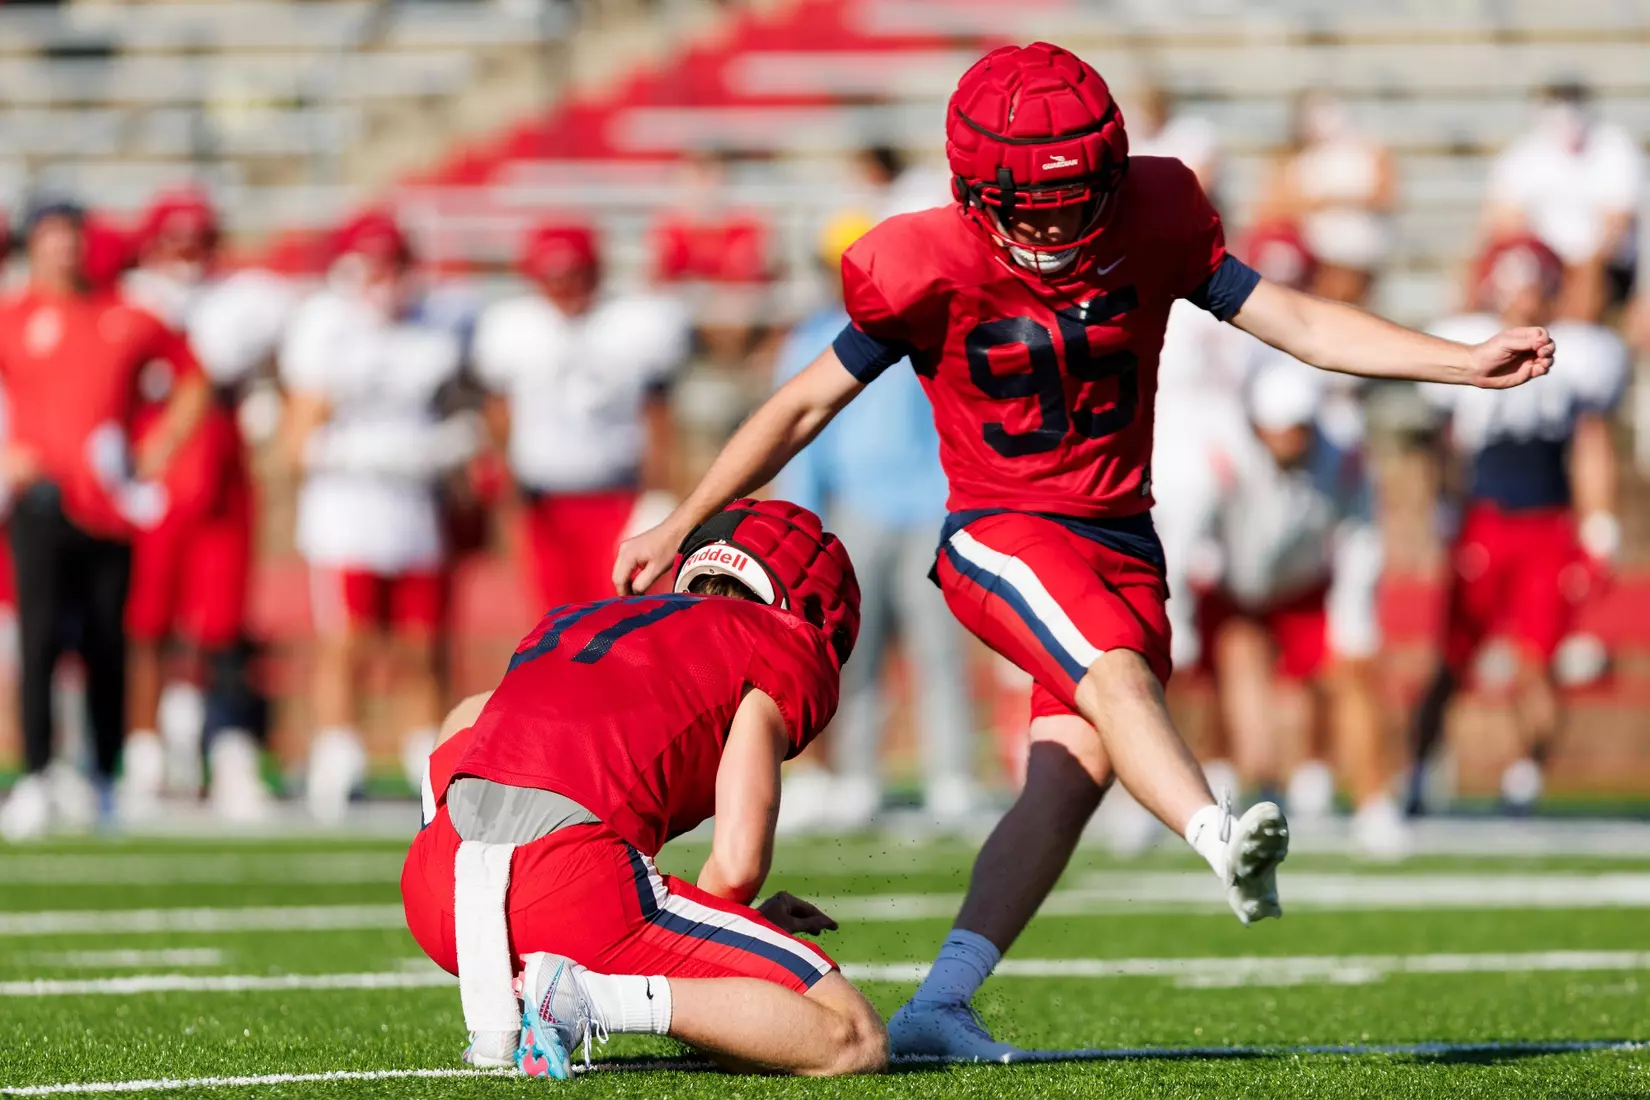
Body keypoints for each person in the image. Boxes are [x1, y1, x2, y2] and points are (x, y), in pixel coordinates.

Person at [613, 42, 1555, 1059]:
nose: (1059, 222)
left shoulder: (1154, 215)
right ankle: (1217, 832)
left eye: (1077, 199)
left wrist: (1457, 361)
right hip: (1000, 529)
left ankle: (942, 998)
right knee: (1113, 671)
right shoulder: (920, 262)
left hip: (1122, 531)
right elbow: (804, 401)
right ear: (979, 193)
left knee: (1073, 768)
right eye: (1035, 203)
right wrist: (687, 515)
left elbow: (1294, 320)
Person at [401, 498, 886, 1079]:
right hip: (566, 892)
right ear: (806, 609)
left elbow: (464, 720)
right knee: (852, 1037)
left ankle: (513, 998)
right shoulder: (771, 645)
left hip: (437, 891)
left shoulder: (579, 619)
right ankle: (587, 997)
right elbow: (735, 865)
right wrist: (722, 953)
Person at [0, 199, 209, 841]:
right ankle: (36, 774)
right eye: (51, 238)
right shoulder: (12, 317)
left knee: (106, 642)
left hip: (110, 506)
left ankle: (103, 777)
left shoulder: (126, 315)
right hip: (40, 502)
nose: (62, 251)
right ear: (34, 245)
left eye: (71, 239)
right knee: (37, 641)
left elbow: (193, 379)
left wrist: (160, 445)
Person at [775, 211, 977, 831]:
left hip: (929, 510)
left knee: (937, 650)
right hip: (853, 512)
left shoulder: (923, 329)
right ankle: (857, 776)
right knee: (851, 655)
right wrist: (801, 521)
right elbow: (799, 436)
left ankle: (952, 776)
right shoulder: (809, 337)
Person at [1410, 235, 1624, 814]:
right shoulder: (1465, 338)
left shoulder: (1580, 352)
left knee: (1538, 660)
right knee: (1453, 656)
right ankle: (1418, 770)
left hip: (1547, 523)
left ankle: (1523, 779)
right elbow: (1442, 444)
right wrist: (1442, 505)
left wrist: (1600, 520)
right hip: (1483, 519)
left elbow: (1589, 440)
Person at [278, 210, 476, 823]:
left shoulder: (436, 332)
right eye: (372, 264)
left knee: (421, 642)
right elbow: (295, 442)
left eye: (393, 264)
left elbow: (461, 416)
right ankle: (340, 756)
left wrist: (449, 448)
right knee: (347, 640)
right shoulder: (326, 329)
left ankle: (427, 757)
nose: (383, 279)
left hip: (413, 508)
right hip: (347, 508)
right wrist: (369, 454)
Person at [119, 187, 293, 821]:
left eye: (199, 241)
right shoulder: (133, 301)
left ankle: (226, 748)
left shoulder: (243, 300)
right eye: (177, 240)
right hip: (153, 466)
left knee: (221, 625)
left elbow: (276, 365)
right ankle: (142, 752)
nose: (188, 255)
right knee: (147, 623)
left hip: (221, 470)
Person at [1190, 360, 1401, 858]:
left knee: (1355, 673)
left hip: (1306, 583)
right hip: (1234, 586)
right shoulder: (1219, 451)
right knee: (1228, 691)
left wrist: (1354, 613)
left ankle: (1374, 803)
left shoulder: (1342, 454)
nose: (1293, 442)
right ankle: (1226, 786)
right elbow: (1189, 528)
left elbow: (1361, 531)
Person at [472, 220, 688, 609]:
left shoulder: (635, 321)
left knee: (617, 613)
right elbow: (498, 413)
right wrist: (506, 491)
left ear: (596, 271)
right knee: (552, 618)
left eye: (574, 276)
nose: (564, 289)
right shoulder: (512, 326)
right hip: (543, 499)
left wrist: (659, 488)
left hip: (616, 493)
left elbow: (657, 414)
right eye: (552, 277)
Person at [1484, 80, 1643, 323]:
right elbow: (1504, 220)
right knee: (1514, 269)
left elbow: (1616, 227)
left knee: (1591, 271)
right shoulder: (1525, 152)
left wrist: (1577, 268)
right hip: (1545, 262)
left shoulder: (1614, 147)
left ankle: (1572, 331)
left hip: (1600, 266)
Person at [1259, 89, 1395, 306]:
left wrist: (1332, 200)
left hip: (1355, 254)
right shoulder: (1301, 162)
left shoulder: (1369, 152)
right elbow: (1271, 207)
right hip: (1318, 255)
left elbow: (1386, 196)